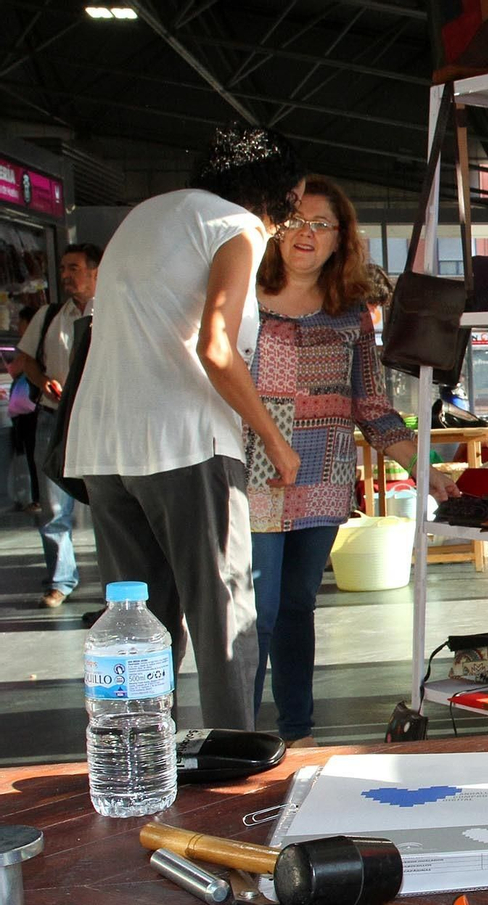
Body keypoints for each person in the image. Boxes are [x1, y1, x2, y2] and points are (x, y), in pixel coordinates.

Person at [66, 125, 305, 731]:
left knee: (136, 623)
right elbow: (217, 349)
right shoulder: (236, 227)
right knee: (224, 614)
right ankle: (235, 764)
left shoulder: (145, 216)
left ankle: (135, 752)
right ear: (275, 192)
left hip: (102, 447)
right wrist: (273, 441)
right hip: (186, 444)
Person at [248, 175, 459, 745]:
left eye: (321, 224)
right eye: (295, 221)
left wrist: (425, 466)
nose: (306, 234)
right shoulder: (243, 299)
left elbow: (373, 408)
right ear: (274, 230)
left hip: (322, 477)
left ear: (341, 238)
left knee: (295, 606)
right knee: (254, 612)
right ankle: (236, 731)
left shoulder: (351, 314)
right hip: (252, 476)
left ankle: (296, 731)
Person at [12, 244, 99, 607]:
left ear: (95, 272)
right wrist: (43, 379)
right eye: (63, 268)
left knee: (110, 505)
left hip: (98, 418)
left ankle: (119, 585)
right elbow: (25, 360)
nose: (66, 275)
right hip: (53, 418)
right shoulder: (49, 315)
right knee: (52, 506)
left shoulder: (113, 312)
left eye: (74, 268)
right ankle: (61, 579)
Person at [6, 303, 39, 513]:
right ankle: (34, 496)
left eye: (21, 322)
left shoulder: (30, 345)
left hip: (31, 409)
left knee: (33, 455)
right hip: (30, 409)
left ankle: (37, 498)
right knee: (30, 455)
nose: (18, 326)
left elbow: (15, 368)